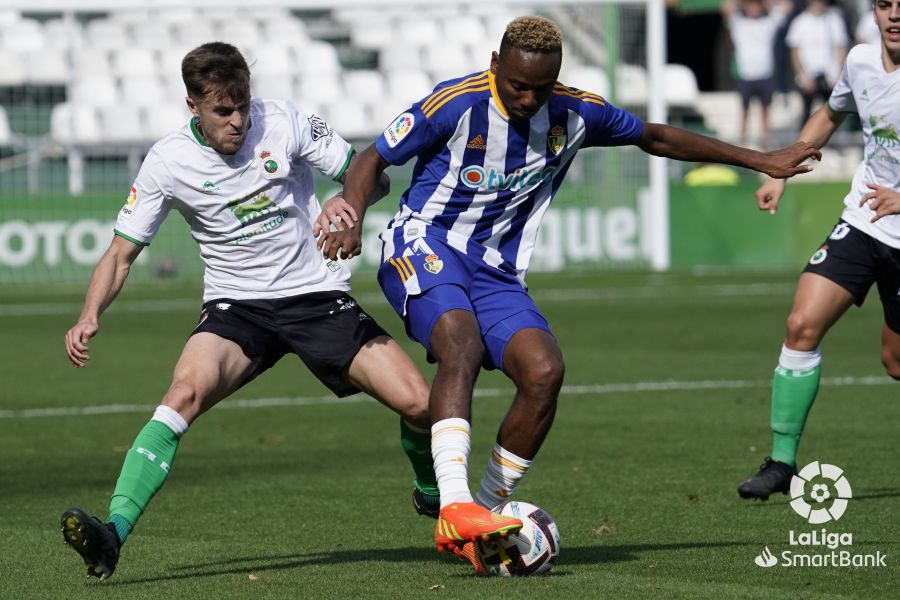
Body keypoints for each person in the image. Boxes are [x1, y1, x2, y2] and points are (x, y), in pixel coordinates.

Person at [315, 16, 820, 572]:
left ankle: (482, 515)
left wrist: (760, 159)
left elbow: (653, 136)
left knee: (544, 371)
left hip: (497, 271)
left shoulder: (576, 112)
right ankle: (454, 502)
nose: (529, 98)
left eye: (541, 88)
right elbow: (371, 157)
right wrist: (352, 212)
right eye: (517, 86)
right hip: (424, 241)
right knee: (462, 343)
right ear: (495, 66)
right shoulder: (455, 104)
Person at [59, 42, 439, 581]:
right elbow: (121, 252)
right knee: (181, 395)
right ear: (193, 105)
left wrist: (346, 203)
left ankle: (429, 490)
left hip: (315, 297)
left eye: (242, 105)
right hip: (237, 308)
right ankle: (111, 534)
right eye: (222, 111)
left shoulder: (286, 121)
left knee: (423, 405)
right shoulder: (168, 161)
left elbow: (369, 175)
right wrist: (89, 314)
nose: (237, 120)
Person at [738, 0, 900, 499]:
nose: (895, 15)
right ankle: (783, 463)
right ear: (873, 13)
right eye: (886, 5)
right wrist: (780, 170)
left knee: (895, 362)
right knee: (800, 325)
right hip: (863, 220)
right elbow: (829, 116)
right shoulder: (859, 62)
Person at [722, 0, 790, 148]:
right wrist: (742, 3)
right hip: (746, 75)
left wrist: (767, 3)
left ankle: (766, 146)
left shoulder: (768, 23)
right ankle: (742, 145)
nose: (754, 9)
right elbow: (726, 7)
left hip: (764, 74)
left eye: (756, 6)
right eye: (751, 6)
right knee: (744, 112)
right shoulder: (738, 24)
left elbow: (786, 7)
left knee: (765, 112)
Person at [786, 0, 850, 126]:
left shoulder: (834, 20)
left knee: (832, 116)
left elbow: (841, 47)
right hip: (808, 77)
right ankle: (803, 145)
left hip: (830, 77)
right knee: (806, 115)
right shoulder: (800, 22)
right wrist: (803, 76)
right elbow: (794, 52)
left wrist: (836, 75)